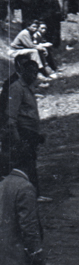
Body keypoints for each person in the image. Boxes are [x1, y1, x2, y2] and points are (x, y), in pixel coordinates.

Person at [1, 57, 47, 192]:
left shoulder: (27, 88)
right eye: (31, 72)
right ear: (23, 71)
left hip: (29, 133)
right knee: (25, 164)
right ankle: (31, 195)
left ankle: (31, 194)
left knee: (28, 162)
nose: (34, 76)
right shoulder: (16, 88)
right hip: (22, 133)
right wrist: (16, 136)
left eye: (36, 73)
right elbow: (11, 115)